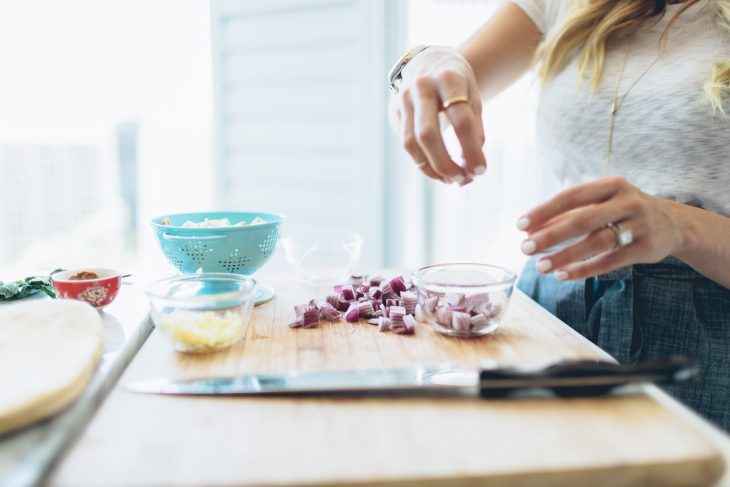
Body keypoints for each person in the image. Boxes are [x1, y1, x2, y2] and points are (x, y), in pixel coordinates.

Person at [389, 0, 730, 430]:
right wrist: (427, 63)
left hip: (703, 339)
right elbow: (432, 93)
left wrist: (683, 227)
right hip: (550, 311)